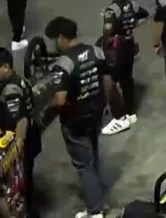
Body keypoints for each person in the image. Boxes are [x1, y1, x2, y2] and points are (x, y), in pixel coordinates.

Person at [46, 16, 112, 218]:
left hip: (75, 120)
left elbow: (60, 100)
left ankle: (95, 210)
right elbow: (107, 81)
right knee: (93, 154)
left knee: (84, 165)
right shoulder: (96, 51)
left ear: (61, 37)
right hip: (96, 113)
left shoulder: (63, 64)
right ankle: (98, 194)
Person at [0, 47, 40, 213]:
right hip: (32, 137)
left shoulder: (10, 91)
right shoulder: (19, 80)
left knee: (21, 185)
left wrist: (15, 152)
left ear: (6, 67)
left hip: (24, 144)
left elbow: (20, 121)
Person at [100, 0, 148, 135]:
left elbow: (107, 32)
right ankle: (131, 111)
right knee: (127, 78)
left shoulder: (111, 10)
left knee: (110, 80)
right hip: (129, 43)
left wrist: (104, 48)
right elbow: (145, 15)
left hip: (116, 47)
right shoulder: (132, 4)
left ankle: (119, 116)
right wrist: (132, 26)